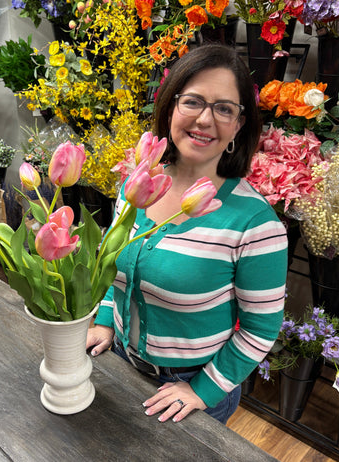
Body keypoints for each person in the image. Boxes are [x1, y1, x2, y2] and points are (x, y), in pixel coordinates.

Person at [86, 44, 288, 425]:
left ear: (239, 125)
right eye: (192, 101)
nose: (205, 119)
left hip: (190, 390)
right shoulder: (137, 186)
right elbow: (115, 269)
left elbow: (261, 329)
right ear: (170, 107)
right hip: (119, 365)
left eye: (224, 108)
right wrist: (104, 322)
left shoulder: (255, 225)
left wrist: (202, 390)